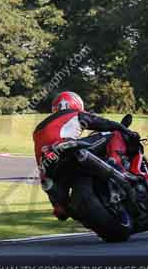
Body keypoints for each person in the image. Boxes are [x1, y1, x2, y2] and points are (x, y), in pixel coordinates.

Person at [32, 91, 141, 221]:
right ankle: (119, 169)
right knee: (114, 134)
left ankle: (61, 206)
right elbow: (103, 123)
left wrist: (56, 203)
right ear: (75, 103)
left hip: (50, 168)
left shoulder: (38, 130)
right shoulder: (74, 114)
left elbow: (40, 160)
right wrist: (124, 129)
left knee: (59, 206)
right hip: (66, 150)